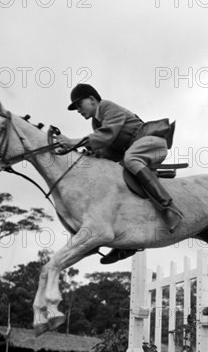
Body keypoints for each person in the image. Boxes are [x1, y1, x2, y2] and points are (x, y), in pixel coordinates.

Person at [57, 84, 182, 264]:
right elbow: (108, 150)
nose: (78, 110)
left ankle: (169, 209)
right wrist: (86, 154)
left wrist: (73, 142)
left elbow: (106, 136)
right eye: (75, 108)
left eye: (79, 105)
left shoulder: (107, 107)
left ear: (92, 99)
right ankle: (127, 244)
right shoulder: (96, 122)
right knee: (118, 180)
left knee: (131, 159)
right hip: (135, 149)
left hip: (152, 142)